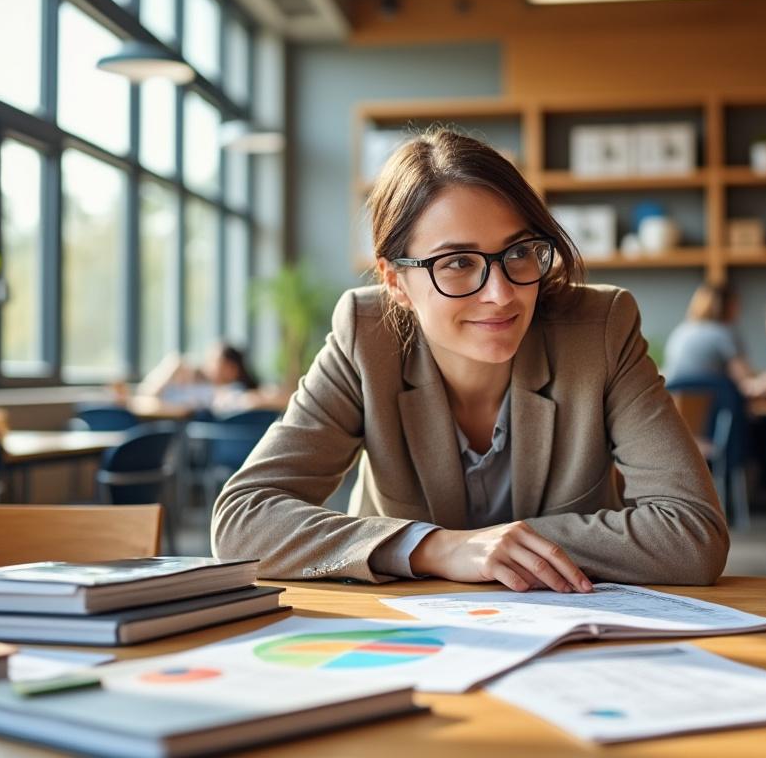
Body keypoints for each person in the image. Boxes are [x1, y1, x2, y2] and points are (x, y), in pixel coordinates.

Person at [212, 128, 729, 591]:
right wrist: (439, 548)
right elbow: (242, 522)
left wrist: (501, 547)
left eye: (519, 252)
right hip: (405, 641)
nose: (501, 293)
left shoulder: (599, 327)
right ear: (395, 281)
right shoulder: (364, 336)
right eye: (457, 262)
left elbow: (692, 533)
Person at [663, 282, 753, 385]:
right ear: (728, 306)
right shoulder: (723, 332)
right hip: (712, 393)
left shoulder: (681, 330)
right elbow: (743, 376)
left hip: (675, 391)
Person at [136, 341, 266, 413]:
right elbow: (146, 395)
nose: (206, 365)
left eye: (213, 361)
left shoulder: (234, 392)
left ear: (231, 369)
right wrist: (171, 367)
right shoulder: (204, 390)